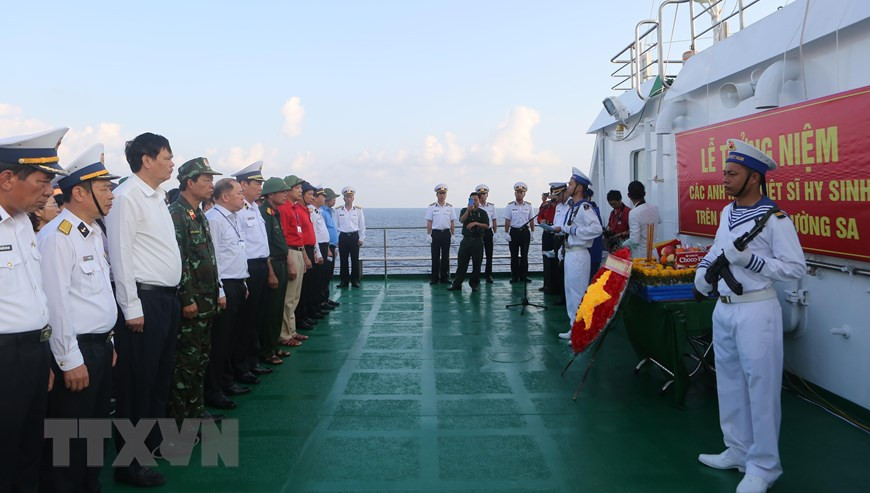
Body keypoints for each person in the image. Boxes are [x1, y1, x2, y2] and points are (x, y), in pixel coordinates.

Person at [694, 139, 805, 493]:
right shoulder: (728, 212)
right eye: (724, 172)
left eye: (732, 173)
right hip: (724, 309)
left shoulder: (775, 218)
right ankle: (738, 450)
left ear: (754, 178)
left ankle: (765, 466)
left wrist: (753, 261)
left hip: (757, 309)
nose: (724, 179)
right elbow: (717, 248)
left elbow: (794, 267)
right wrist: (704, 268)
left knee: (761, 388)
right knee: (728, 383)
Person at [38, 143, 119, 492]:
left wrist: (110, 340)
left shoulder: (93, 231)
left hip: (98, 348)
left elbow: (96, 295)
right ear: (79, 192)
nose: (111, 195)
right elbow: (56, 306)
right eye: (104, 189)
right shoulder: (57, 238)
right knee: (69, 441)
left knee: (95, 432)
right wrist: (70, 360)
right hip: (75, 352)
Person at [105, 132, 182, 487]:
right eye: (167, 157)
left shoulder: (157, 196)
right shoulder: (127, 197)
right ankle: (129, 464)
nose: (171, 163)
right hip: (144, 302)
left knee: (158, 378)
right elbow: (120, 255)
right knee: (137, 384)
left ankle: (152, 446)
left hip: (166, 300)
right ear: (146, 159)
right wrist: (131, 306)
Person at [0, 127, 69, 492]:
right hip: (4, 360)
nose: (49, 191)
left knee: (29, 451)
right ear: (8, 178)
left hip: (31, 354)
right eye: (43, 181)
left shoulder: (24, 224)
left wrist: (41, 358)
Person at [168, 158, 225, 416]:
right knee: (185, 365)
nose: (211, 184)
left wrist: (217, 291)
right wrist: (187, 297)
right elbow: (178, 260)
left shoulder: (197, 212)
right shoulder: (176, 214)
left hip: (207, 301)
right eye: (206, 179)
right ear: (189, 183)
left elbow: (207, 258)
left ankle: (197, 411)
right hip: (192, 304)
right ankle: (182, 419)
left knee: (200, 360)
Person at [205, 178, 254, 407]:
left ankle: (227, 380)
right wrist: (220, 290)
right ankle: (214, 390)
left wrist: (243, 284)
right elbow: (211, 258)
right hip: (224, 285)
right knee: (220, 341)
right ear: (224, 196)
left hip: (237, 283)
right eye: (239, 193)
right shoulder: (214, 219)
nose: (242, 197)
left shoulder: (232, 217)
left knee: (233, 337)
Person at [232, 162, 274, 378]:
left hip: (260, 265)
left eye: (260, 183)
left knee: (257, 316)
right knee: (246, 320)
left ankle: (253, 360)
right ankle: (242, 366)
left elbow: (261, 242)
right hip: (247, 268)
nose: (260, 187)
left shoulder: (255, 208)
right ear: (243, 184)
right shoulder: (238, 211)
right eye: (256, 183)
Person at [556, 168, 602, 340]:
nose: (568, 186)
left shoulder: (584, 207)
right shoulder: (573, 208)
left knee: (578, 293)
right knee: (570, 292)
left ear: (579, 188)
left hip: (580, 254)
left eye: (571, 184)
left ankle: (583, 331)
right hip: (570, 253)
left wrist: (573, 230)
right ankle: (574, 327)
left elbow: (596, 229)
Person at [259, 177, 292, 365]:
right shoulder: (264, 213)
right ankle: (266, 350)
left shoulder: (274, 212)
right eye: (282, 191)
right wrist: (271, 271)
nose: (285, 194)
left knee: (278, 307)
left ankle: (273, 345)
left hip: (281, 262)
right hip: (273, 264)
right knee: (270, 310)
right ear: (271, 194)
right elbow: (265, 244)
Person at [278, 175, 308, 346]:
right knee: (288, 297)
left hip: (297, 252)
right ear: (288, 190)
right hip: (289, 252)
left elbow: (298, 235)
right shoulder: (284, 209)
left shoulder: (294, 209)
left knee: (295, 296)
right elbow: (283, 237)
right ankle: (284, 334)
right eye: (297, 188)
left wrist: (303, 255)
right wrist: (290, 260)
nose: (300, 191)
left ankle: (292, 330)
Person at [447, 192, 490, 292]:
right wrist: (468, 211)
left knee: (477, 264)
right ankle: (457, 284)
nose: (473, 202)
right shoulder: (464, 210)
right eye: (471, 200)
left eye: (475, 200)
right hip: (466, 241)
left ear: (479, 201)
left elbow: (487, 226)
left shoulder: (482, 213)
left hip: (477, 241)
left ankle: (474, 284)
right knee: (462, 263)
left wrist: (475, 223)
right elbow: (461, 220)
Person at [503, 182, 535, 283]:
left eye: (521, 192)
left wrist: (533, 232)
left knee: (525, 255)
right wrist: (506, 233)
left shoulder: (529, 206)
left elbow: (531, 220)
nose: (519, 194)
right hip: (514, 232)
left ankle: (524, 276)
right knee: (514, 256)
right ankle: (514, 276)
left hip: (525, 232)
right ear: (515, 193)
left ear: (524, 194)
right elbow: (507, 220)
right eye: (517, 192)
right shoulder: (510, 206)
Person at [336, 186, 365, 287]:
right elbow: (336, 226)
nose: (349, 198)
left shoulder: (358, 210)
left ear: (353, 198)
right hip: (343, 237)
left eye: (350, 196)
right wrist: (336, 239)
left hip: (354, 237)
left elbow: (362, 225)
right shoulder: (338, 210)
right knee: (343, 260)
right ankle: (344, 281)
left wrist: (361, 238)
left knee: (354, 259)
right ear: (344, 198)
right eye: (347, 197)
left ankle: (354, 280)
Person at [623, 180, 661, 258]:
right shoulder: (654, 208)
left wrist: (622, 245)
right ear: (644, 194)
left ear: (628, 195)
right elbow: (659, 221)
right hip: (654, 254)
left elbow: (634, 240)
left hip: (640, 257)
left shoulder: (634, 212)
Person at [549, 182, 569, 305]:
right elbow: (556, 222)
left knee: (567, 269)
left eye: (558, 195)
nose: (556, 198)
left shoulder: (571, 206)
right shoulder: (558, 207)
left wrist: (560, 229)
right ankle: (562, 296)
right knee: (559, 269)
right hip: (556, 239)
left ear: (564, 192)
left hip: (566, 240)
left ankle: (567, 297)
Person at [321, 188, 341, 306]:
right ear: (327, 199)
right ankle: (322, 300)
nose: (334, 201)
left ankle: (325, 298)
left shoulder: (329, 211)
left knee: (328, 274)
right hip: (327, 247)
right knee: (324, 275)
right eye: (333, 198)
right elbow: (322, 232)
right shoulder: (323, 212)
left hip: (332, 247)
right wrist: (328, 247)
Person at [537, 187, 559, 293]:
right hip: (547, 234)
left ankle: (556, 285)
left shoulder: (562, 206)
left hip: (557, 235)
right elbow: (539, 217)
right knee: (546, 258)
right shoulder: (545, 205)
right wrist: (542, 220)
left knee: (557, 259)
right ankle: (547, 284)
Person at [475, 184, 497, 283]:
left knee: (489, 255)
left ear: (487, 195)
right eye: (480, 194)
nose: (482, 196)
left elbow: (494, 220)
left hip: (488, 232)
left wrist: (495, 233)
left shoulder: (491, 206)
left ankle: (488, 275)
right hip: (478, 232)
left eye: (484, 194)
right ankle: (476, 276)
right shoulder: (474, 206)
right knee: (477, 255)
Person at [585, 188, 605, 280]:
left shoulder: (592, 212)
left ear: (588, 198)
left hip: (592, 254)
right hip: (590, 254)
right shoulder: (592, 210)